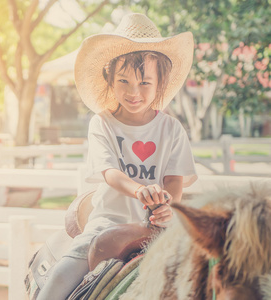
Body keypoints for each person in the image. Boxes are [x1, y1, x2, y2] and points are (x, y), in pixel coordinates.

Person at [37, 13, 197, 300]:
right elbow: (109, 172)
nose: (133, 92)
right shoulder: (103, 124)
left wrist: (166, 205)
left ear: (159, 82)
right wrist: (140, 189)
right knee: (61, 276)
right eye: (123, 80)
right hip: (108, 222)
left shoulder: (172, 129)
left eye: (145, 83)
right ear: (110, 80)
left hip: (158, 227)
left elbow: (174, 179)